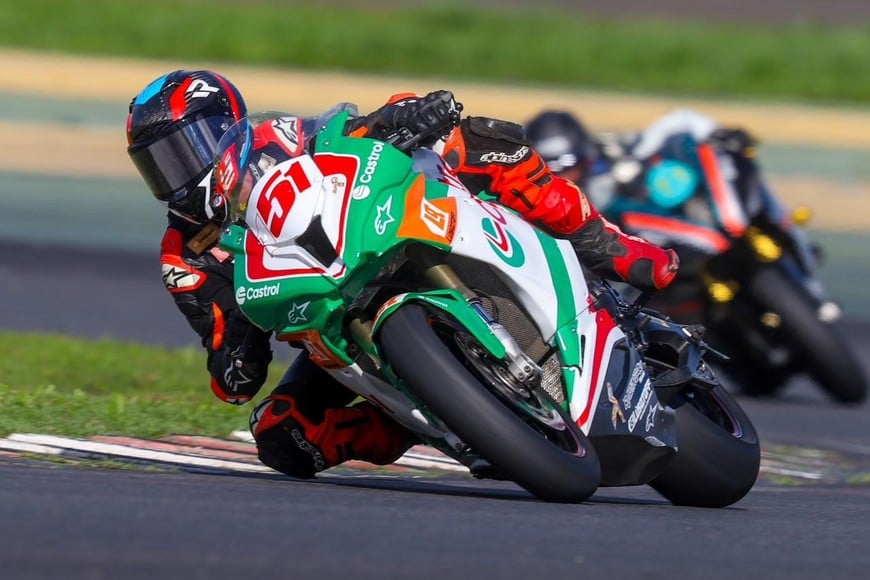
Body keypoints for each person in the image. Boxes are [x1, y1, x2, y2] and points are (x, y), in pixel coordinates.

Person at [127, 71, 679, 479]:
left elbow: (354, 129)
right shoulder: (185, 256)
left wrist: (405, 117)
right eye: (158, 165)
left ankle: (607, 244)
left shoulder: (281, 140)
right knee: (282, 437)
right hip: (327, 320)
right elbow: (225, 350)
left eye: (182, 152)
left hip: (380, 233)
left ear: (226, 128)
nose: (174, 175)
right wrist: (237, 358)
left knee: (476, 141)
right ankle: (443, 417)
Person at [524, 107, 758, 321]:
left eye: (570, 165)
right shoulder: (540, 216)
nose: (568, 178)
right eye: (555, 172)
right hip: (637, 290)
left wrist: (712, 133)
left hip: (684, 242)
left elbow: (678, 123)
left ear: (584, 154)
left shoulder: (615, 153)